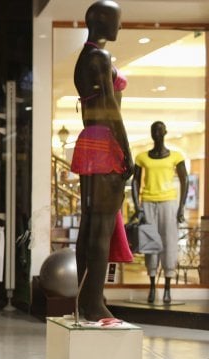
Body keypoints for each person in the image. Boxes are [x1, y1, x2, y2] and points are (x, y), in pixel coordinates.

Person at [70, 0, 133, 322]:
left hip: (89, 142)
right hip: (104, 144)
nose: (120, 27)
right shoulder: (99, 57)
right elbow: (110, 109)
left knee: (90, 225)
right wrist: (128, 151)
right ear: (104, 20)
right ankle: (93, 303)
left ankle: (87, 299)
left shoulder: (86, 56)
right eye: (118, 21)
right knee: (101, 228)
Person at [132, 121, 189, 303]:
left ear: (165, 132)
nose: (156, 132)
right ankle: (152, 286)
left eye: (159, 129)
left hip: (168, 202)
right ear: (151, 133)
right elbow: (135, 181)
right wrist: (137, 205)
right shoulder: (142, 157)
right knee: (151, 244)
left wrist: (181, 207)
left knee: (169, 243)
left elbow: (185, 180)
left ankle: (167, 287)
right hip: (148, 202)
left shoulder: (176, 156)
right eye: (153, 130)